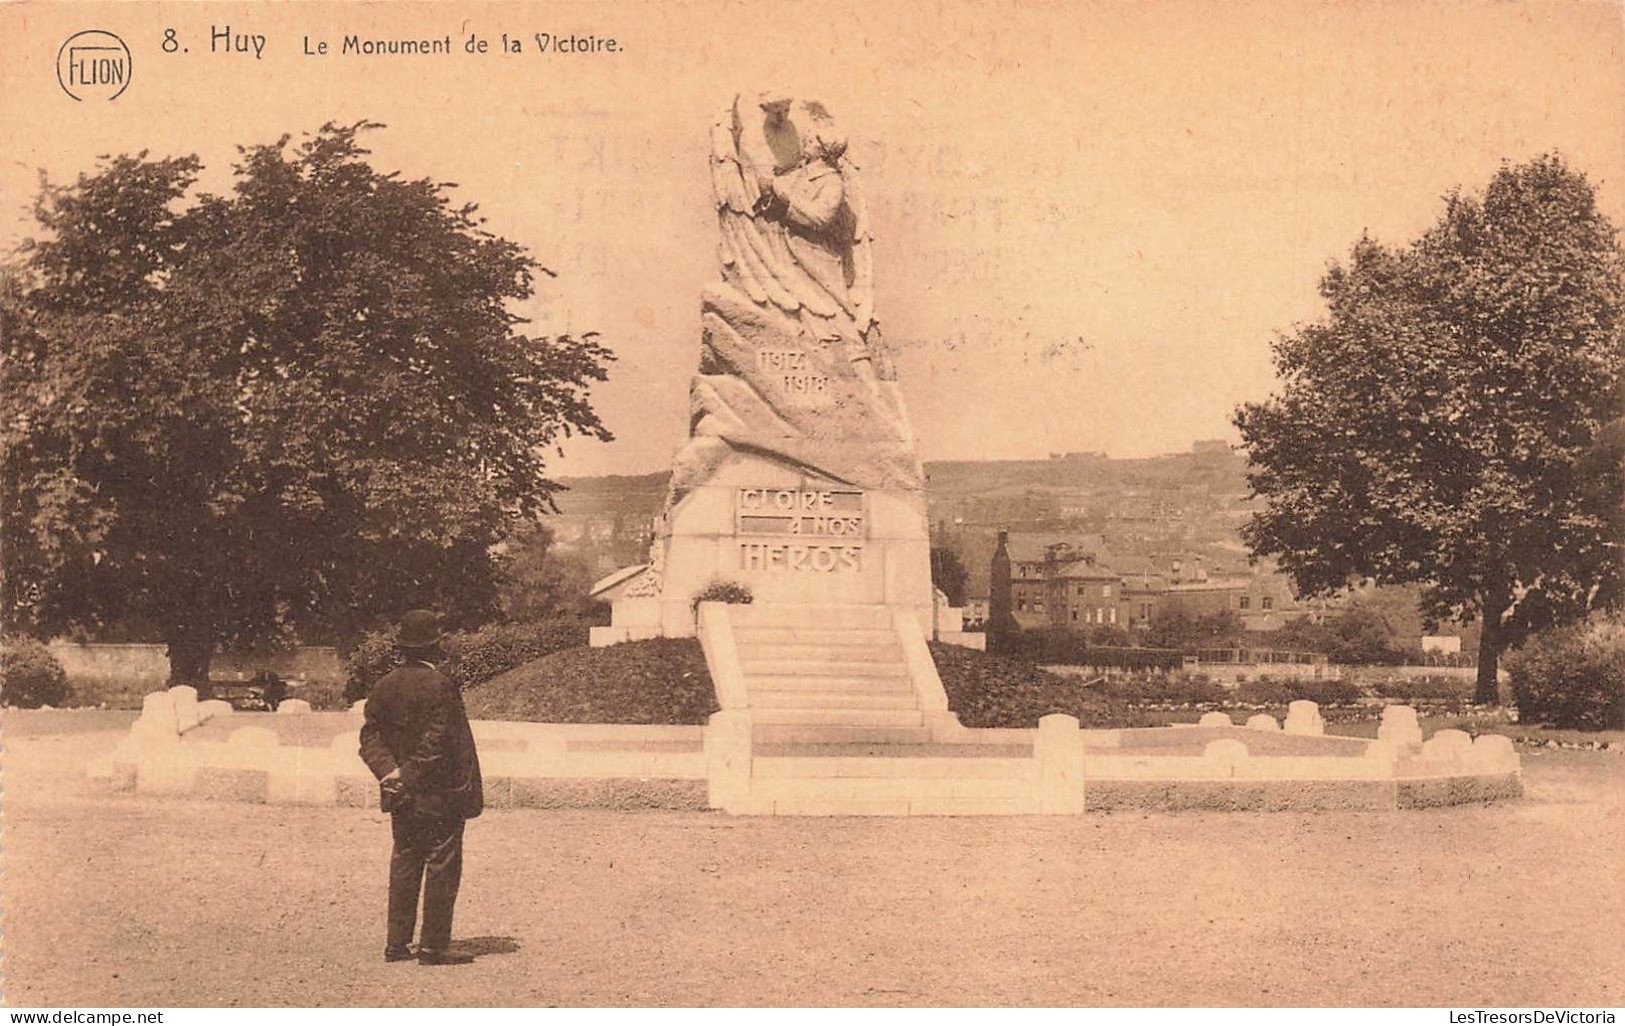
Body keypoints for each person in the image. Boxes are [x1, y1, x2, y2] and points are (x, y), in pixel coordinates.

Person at [358, 609, 483, 965]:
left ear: (402, 647)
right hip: (439, 793)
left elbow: (370, 737)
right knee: (442, 862)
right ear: (435, 647)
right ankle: (433, 946)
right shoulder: (441, 685)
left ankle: (396, 945)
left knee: (405, 860)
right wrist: (409, 772)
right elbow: (438, 741)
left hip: (400, 793)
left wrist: (390, 773)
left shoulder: (383, 686)